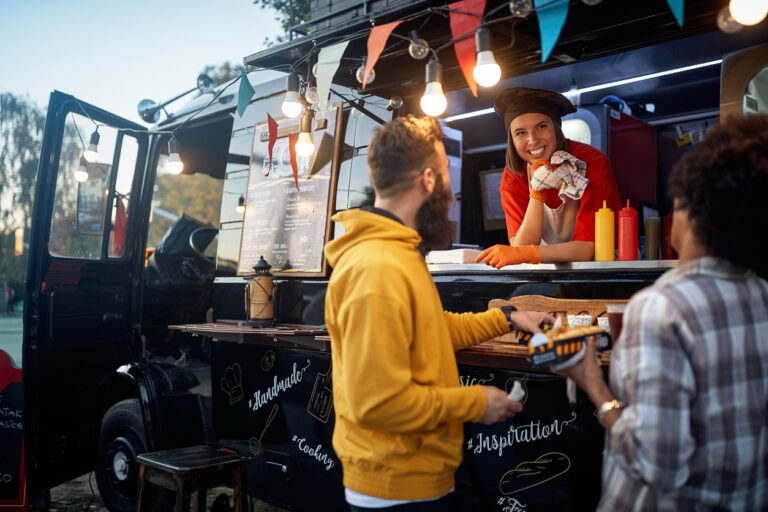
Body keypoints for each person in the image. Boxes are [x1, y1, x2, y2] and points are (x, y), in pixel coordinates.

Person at [324, 115, 553, 511]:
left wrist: (507, 317)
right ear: (429, 180)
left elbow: (431, 328)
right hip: (396, 490)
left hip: (417, 480)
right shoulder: (377, 267)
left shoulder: (398, 252)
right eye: (446, 173)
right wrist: (474, 403)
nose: (450, 190)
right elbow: (376, 403)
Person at [557, 114, 768, 510]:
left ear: (690, 205)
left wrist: (593, 384)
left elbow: (655, 463)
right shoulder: (761, 293)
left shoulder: (661, 308)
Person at [476, 87, 622, 268]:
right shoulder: (514, 176)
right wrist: (537, 191)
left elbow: (588, 249)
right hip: (549, 272)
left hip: (599, 271)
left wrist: (524, 253)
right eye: (521, 132)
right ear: (512, 139)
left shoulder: (592, 162)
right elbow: (520, 247)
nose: (533, 140)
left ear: (556, 128)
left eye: (541, 127)